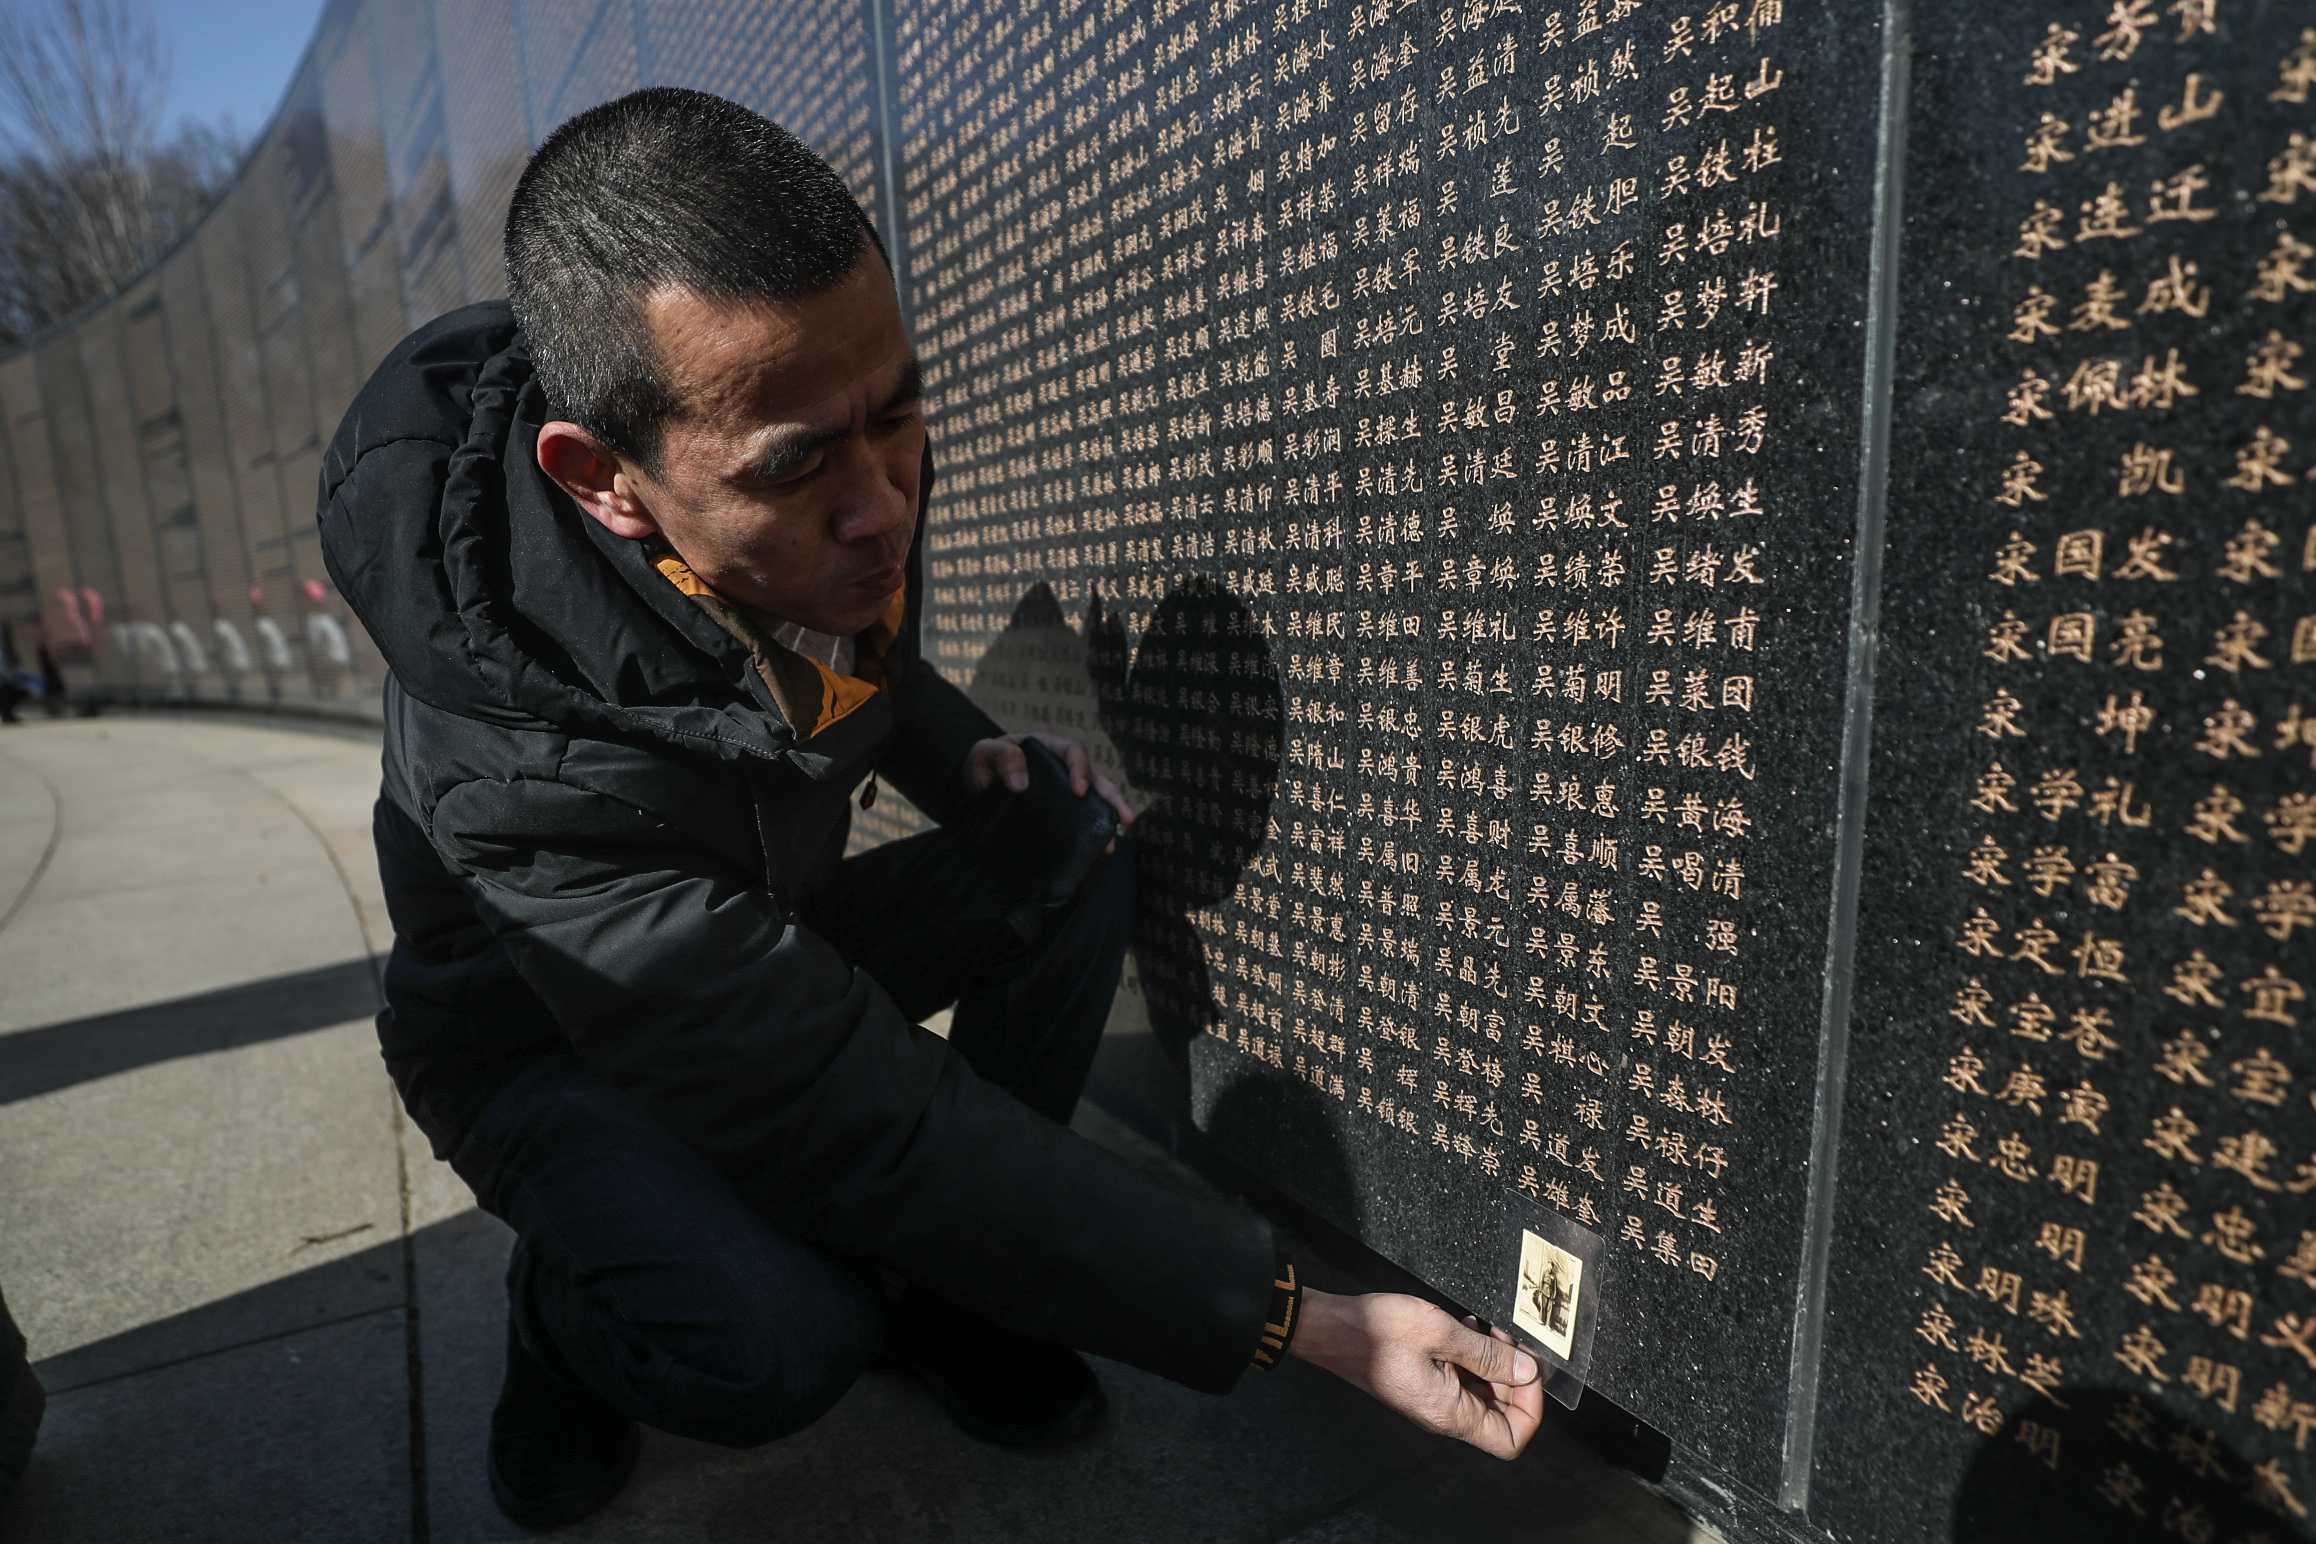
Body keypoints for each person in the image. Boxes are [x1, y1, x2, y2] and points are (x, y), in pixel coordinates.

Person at [321, 87, 1542, 1529]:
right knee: (782, 1338)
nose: (884, 504)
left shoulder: (828, 445)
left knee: (1064, 841)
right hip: (544, 1042)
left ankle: (963, 1295)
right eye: (803, 466)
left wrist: (965, 758)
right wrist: (1305, 1320)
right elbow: (856, 1115)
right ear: (605, 482)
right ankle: (566, 1316)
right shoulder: (514, 747)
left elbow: (854, 652)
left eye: (898, 417)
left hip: (756, 930)